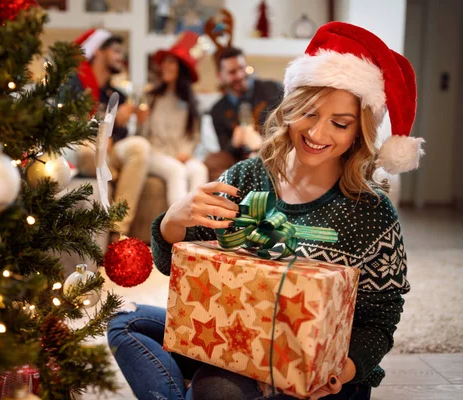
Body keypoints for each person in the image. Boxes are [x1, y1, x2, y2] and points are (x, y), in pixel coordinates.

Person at [107, 21, 424, 400]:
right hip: (237, 339)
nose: (318, 134)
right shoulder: (248, 177)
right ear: (290, 108)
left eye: (339, 123)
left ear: (359, 131)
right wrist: (174, 220)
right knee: (127, 322)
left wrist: (344, 367)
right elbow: (182, 273)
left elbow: (380, 317)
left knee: (215, 389)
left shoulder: (372, 212)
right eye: (308, 113)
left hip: (319, 371)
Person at [61, 29, 150, 241]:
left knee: (140, 146)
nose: (122, 57)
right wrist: (105, 127)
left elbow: (121, 136)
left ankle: (117, 231)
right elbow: (69, 127)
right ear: (99, 52)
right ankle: (116, 173)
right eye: (116, 51)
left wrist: (121, 123)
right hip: (85, 148)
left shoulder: (117, 94)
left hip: (110, 153)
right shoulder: (74, 86)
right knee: (87, 150)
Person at [141, 31, 208, 207]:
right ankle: (177, 225)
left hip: (180, 154)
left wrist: (186, 152)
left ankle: (198, 225)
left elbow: (194, 136)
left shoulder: (190, 103)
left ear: (182, 68)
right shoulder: (151, 97)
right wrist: (140, 120)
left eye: (171, 62)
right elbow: (142, 135)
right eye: (165, 61)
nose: (165, 65)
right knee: (176, 170)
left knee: (199, 169)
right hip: (155, 153)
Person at [205, 47, 284, 181]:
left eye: (242, 68)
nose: (240, 75)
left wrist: (261, 143)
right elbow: (224, 148)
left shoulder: (272, 89)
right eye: (232, 72)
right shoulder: (217, 110)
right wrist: (234, 143)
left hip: (273, 153)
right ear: (220, 76)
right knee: (213, 160)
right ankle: (225, 197)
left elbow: (288, 127)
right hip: (238, 160)